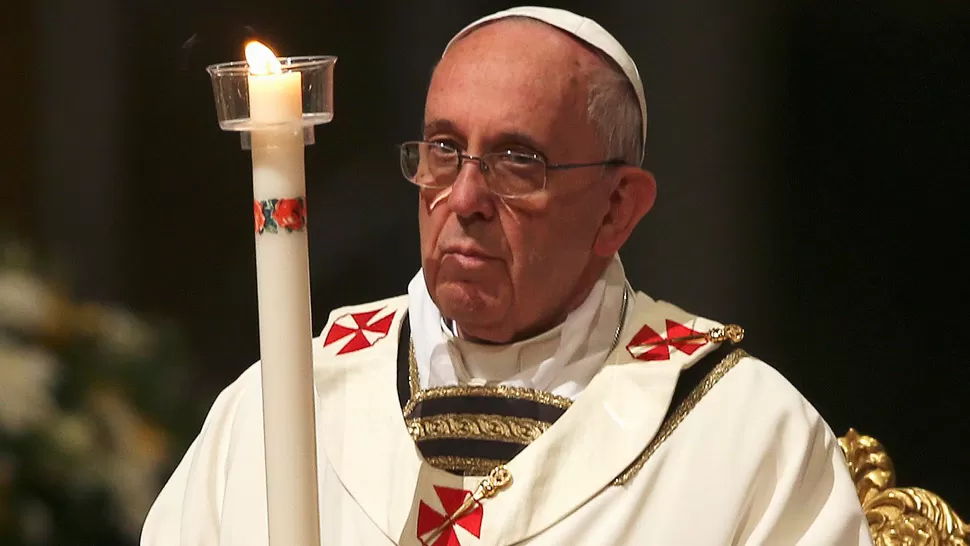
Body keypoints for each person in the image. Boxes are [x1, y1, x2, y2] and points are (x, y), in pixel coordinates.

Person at [142, 6, 873, 545]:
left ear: (618, 208)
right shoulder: (282, 406)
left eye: (518, 162)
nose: (463, 200)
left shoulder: (741, 436)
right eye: (442, 150)